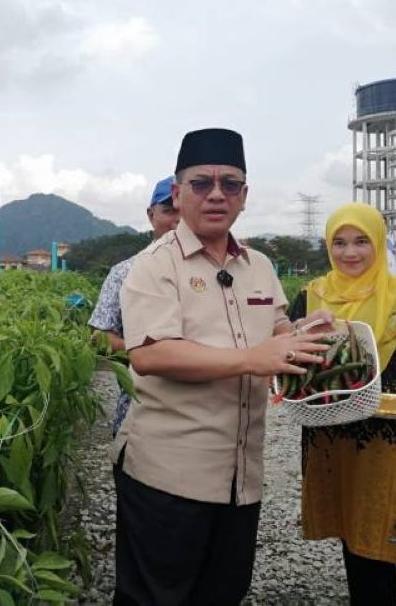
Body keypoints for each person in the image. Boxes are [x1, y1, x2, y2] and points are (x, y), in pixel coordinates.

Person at [111, 127, 334, 606]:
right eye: (201, 183)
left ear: (244, 196)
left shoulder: (259, 266)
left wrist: (300, 335)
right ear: (178, 192)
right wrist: (253, 359)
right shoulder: (153, 266)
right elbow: (151, 354)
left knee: (222, 591)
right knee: (156, 596)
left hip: (240, 474)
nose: (216, 194)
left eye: (230, 184)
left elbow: (276, 328)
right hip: (168, 475)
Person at [286, 202, 396, 606]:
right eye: (340, 242)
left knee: (378, 527)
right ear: (328, 246)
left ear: (379, 243)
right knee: (349, 521)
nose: (350, 253)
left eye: (361, 241)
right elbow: (290, 354)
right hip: (329, 424)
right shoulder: (311, 297)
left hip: (390, 430)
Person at [88, 176, 181, 437]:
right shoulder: (125, 272)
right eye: (169, 210)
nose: (178, 220)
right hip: (139, 413)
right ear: (151, 215)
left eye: (185, 210)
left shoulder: (216, 272)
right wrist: (160, 355)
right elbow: (100, 338)